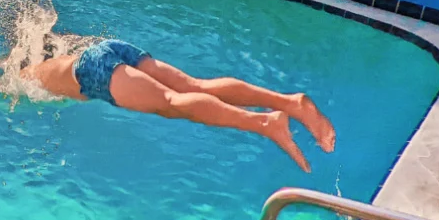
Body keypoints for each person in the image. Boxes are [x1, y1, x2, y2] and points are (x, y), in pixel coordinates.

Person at [20, 39, 335, 172]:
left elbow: (11, 87)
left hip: (93, 72)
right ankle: (290, 103)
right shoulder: (57, 55)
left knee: (172, 103)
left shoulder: (25, 73)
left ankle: (264, 123)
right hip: (107, 49)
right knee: (193, 86)